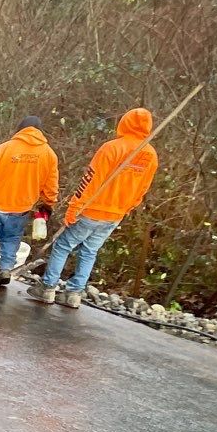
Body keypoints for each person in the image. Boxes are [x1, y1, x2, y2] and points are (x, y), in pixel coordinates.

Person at [32, 108, 158, 309]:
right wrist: (127, 208)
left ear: (125, 123)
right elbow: (142, 189)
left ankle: (47, 288)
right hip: (115, 214)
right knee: (90, 251)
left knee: (63, 245)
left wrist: (74, 207)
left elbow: (90, 179)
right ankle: (74, 293)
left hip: (92, 210)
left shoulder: (112, 148)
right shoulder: (150, 154)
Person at [0, 124, 58, 288]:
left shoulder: (5, 149)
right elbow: (51, 184)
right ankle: (6, 269)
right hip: (21, 208)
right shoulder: (49, 154)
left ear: (21, 130)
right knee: (11, 240)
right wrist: (48, 202)